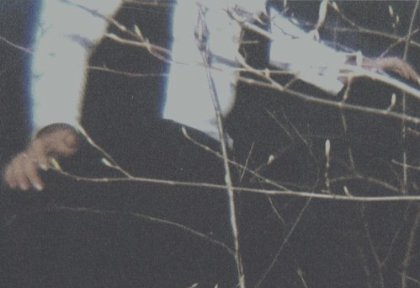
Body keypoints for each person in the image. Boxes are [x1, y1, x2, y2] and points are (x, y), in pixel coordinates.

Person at [3, 0, 419, 191]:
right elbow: (64, 28)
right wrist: (52, 122)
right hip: (115, 146)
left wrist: (353, 64)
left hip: (205, 153)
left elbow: (267, 26)